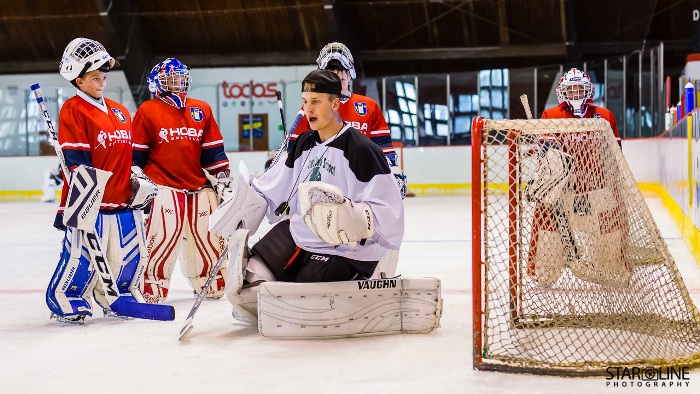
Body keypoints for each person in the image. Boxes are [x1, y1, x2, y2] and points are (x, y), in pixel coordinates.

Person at [211, 70, 404, 322]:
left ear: (335, 103)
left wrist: (354, 218)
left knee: (301, 300)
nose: (307, 109)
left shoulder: (362, 151)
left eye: (315, 101)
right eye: (304, 101)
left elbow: (389, 209)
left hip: (344, 250)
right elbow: (275, 184)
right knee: (252, 277)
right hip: (302, 232)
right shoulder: (303, 143)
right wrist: (244, 202)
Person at [46, 38, 158, 323]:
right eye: (95, 78)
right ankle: (68, 298)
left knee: (128, 254)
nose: (102, 82)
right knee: (81, 257)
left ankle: (118, 296)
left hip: (122, 199)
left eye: (103, 77)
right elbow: (77, 159)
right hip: (91, 201)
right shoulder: (74, 109)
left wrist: (136, 177)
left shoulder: (120, 112)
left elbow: (127, 154)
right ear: (79, 81)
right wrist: (86, 194)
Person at [131, 58, 231, 304]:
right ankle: (152, 287)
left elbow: (213, 152)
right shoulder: (148, 110)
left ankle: (210, 281)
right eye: (171, 79)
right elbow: (135, 155)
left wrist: (223, 179)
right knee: (160, 241)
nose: (178, 83)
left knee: (208, 241)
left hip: (199, 188)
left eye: (180, 77)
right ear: (157, 84)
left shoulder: (201, 109)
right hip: (163, 188)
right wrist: (135, 183)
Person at [527, 67, 628, 286]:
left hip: (596, 190)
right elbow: (546, 158)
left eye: (579, 89)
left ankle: (611, 268)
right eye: (570, 90)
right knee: (547, 228)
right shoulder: (551, 116)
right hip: (562, 192)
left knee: (610, 228)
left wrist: (613, 186)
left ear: (588, 91)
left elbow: (615, 156)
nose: (575, 94)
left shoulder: (605, 116)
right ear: (563, 92)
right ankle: (544, 272)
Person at [287, 42, 408, 199]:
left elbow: (382, 146)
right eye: (331, 80)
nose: (336, 85)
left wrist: (391, 169)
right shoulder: (311, 108)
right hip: (323, 181)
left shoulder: (368, 106)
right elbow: (296, 149)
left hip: (361, 183)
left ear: (350, 76)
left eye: (341, 79)